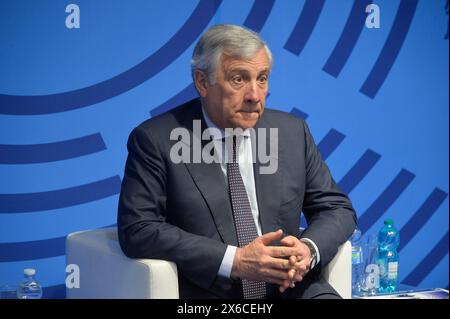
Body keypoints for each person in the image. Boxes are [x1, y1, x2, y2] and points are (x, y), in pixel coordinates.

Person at [117, 24, 356, 299]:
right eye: (239, 79)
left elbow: (336, 208)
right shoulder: (157, 140)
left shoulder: (291, 132)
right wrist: (236, 261)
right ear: (202, 82)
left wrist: (308, 249)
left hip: (291, 288)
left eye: (262, 79)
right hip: (213, 293)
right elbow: (138, 229)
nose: (255, 95)